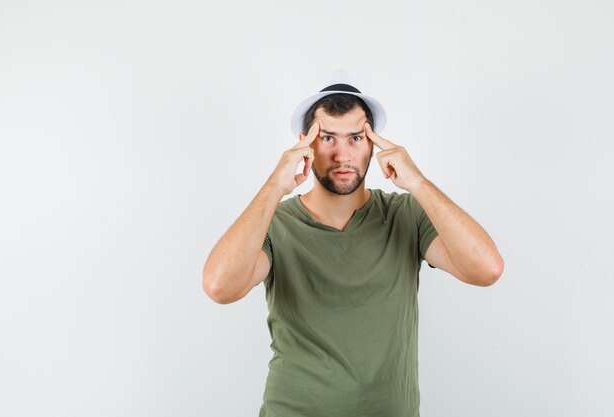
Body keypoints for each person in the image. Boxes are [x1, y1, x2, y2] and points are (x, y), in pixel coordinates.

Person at [202, 70, 504, 417]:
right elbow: (219, 286)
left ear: (373, 143)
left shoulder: (406, 215)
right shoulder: (274, 224)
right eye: (328, 138)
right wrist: (274, 186)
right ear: (306, 143)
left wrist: (417, 182)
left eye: (356, 138)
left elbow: (488, 269)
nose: (343, 155)